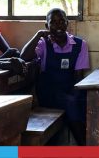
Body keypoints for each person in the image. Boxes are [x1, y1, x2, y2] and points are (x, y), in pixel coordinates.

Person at [20, 8, 89, 145]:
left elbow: (78, 77)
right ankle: (85, 146)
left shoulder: (80, 44)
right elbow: (24, 56)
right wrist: (39, 35)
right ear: (47, 26)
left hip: (69, 90)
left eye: (62, 21)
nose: (59, 26)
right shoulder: (44, 44)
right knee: (71, 103)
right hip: (49, 93)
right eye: (53, 22)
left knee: (82, 101)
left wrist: (76, 97)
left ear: (67, 23)